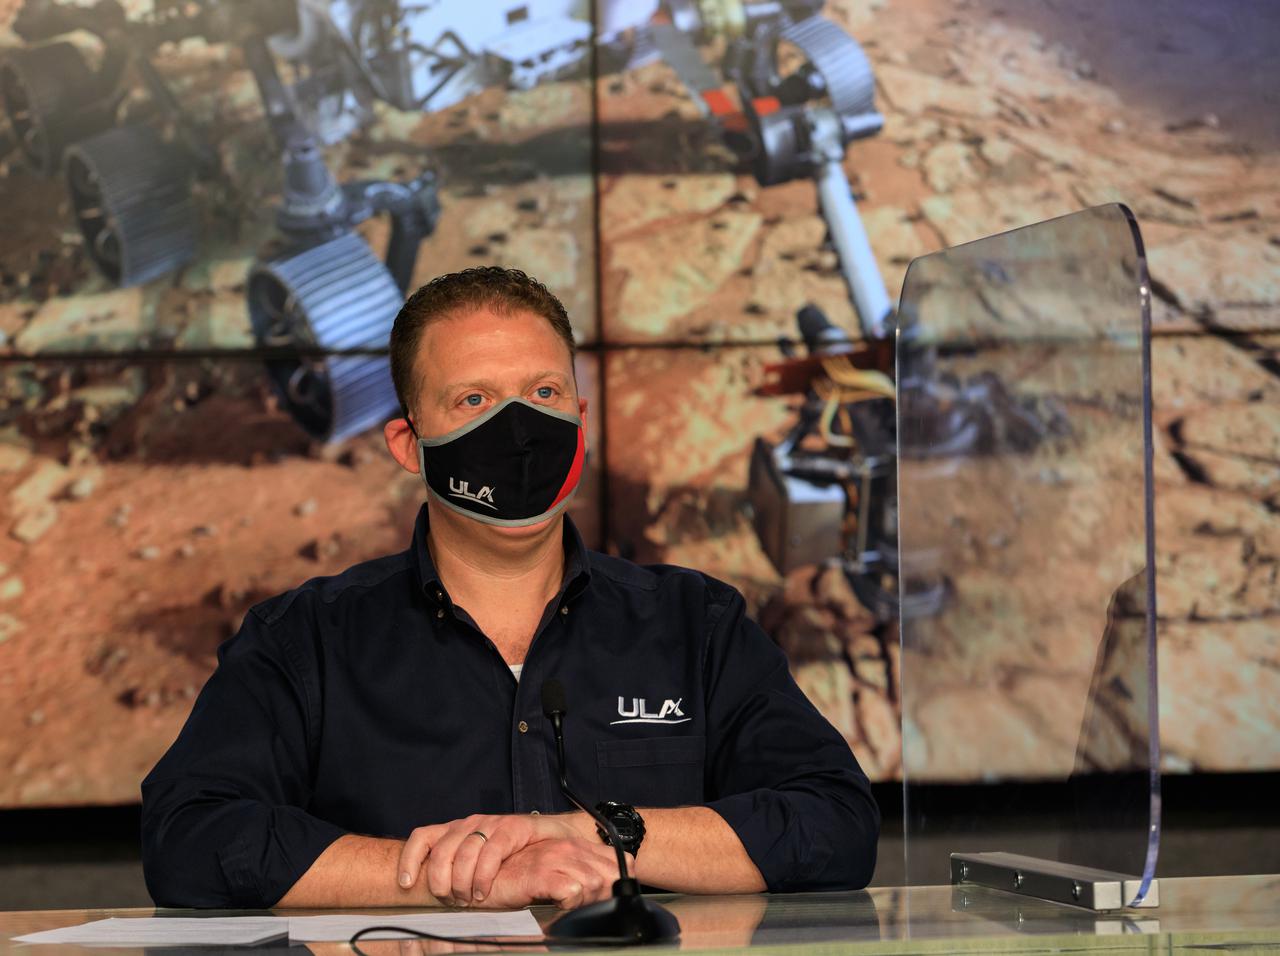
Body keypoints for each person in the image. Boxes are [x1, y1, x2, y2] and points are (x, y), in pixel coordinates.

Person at [140, 267, 880, 910]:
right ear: (408, 444)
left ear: (580, 420)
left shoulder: (697, 624)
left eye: (544, 391)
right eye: (474, 401)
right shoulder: (304, 642)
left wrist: (586, 834)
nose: (520, 429)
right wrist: (456, 876)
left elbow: (833, 824)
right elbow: (191, 837)